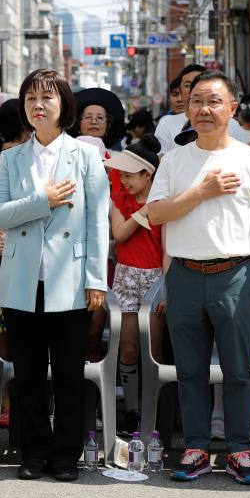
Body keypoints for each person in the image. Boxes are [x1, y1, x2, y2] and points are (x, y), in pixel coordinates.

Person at [148, 70, 250, 486]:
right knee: (189, 369)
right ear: (187, 109)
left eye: (213, 101)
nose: (204, 109)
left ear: (232, 108)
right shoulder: (174, 159)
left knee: (239, 369)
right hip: (185, 274)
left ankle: (241, 450)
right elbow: (156, 215)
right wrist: (201, 191)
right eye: (197, 101)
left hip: (237, 275)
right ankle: (196, 448)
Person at [0, 69, 109, 482]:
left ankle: (66, 455)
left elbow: (97, 223)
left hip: (71, 279)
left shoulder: (87, 155)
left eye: (47, 98)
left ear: (64, 107)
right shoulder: (11, 157)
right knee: (29, 375)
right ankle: (33, 452)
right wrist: (42, 200)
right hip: (22, 278)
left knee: (70, 376)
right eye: (31, 99)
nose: (38, 106)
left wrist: (96, 279)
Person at [103, 134, 165, 436]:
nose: (124, 180)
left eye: (129, 174)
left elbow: (169, 248)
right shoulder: (120, 201)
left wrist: (167, 286)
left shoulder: (164, 203)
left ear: (148, 173)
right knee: (127, 349)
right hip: (126, 277)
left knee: (153, 350)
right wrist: (142, 213)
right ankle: (132, 411)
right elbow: (120, 234)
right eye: (121, 174)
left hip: (157, 279)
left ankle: (152, 411)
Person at [155, 64, 205, 154]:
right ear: (180, 91)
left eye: (199, 83)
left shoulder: (229, 124)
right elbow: (161, 159)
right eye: (188, 85)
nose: (193, 89)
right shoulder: (166, 123)